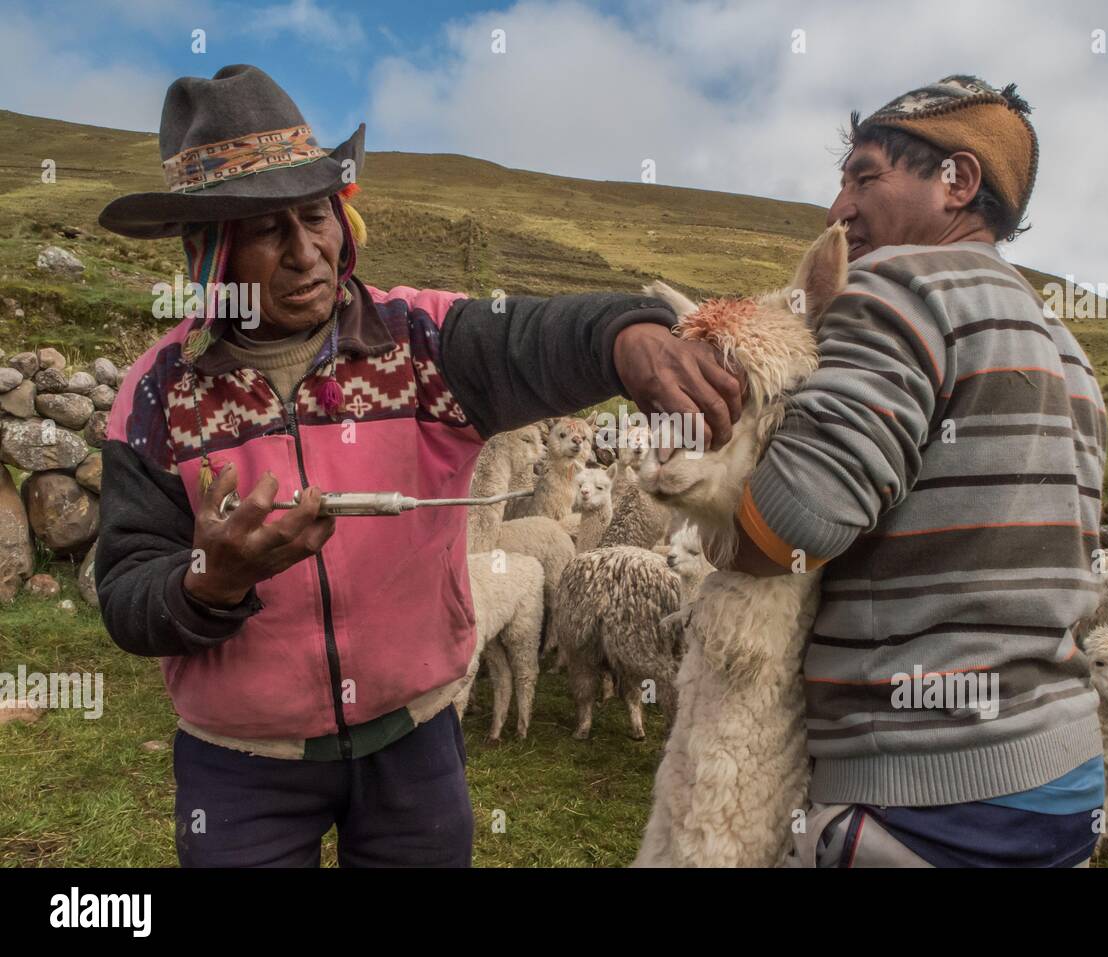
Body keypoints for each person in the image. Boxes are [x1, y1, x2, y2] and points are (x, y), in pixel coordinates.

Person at [94, 64, 742, 867]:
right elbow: (125, 592)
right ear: (209, 250)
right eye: (267, 229)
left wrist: (627, 336)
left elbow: (537, 338)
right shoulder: (158, 396)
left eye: (316, 215)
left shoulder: (424, 344)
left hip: (415, 743)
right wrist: (209, 580)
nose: (307, 252)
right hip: (241, 766)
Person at [730, 76, 1108, 867]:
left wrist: (720, 541)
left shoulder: (898, 287)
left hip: (924, 789)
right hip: (1063, 778)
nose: (838, 209)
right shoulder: (1068, 351)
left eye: (865, 177)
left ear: (957, 183)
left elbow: (794, 524)